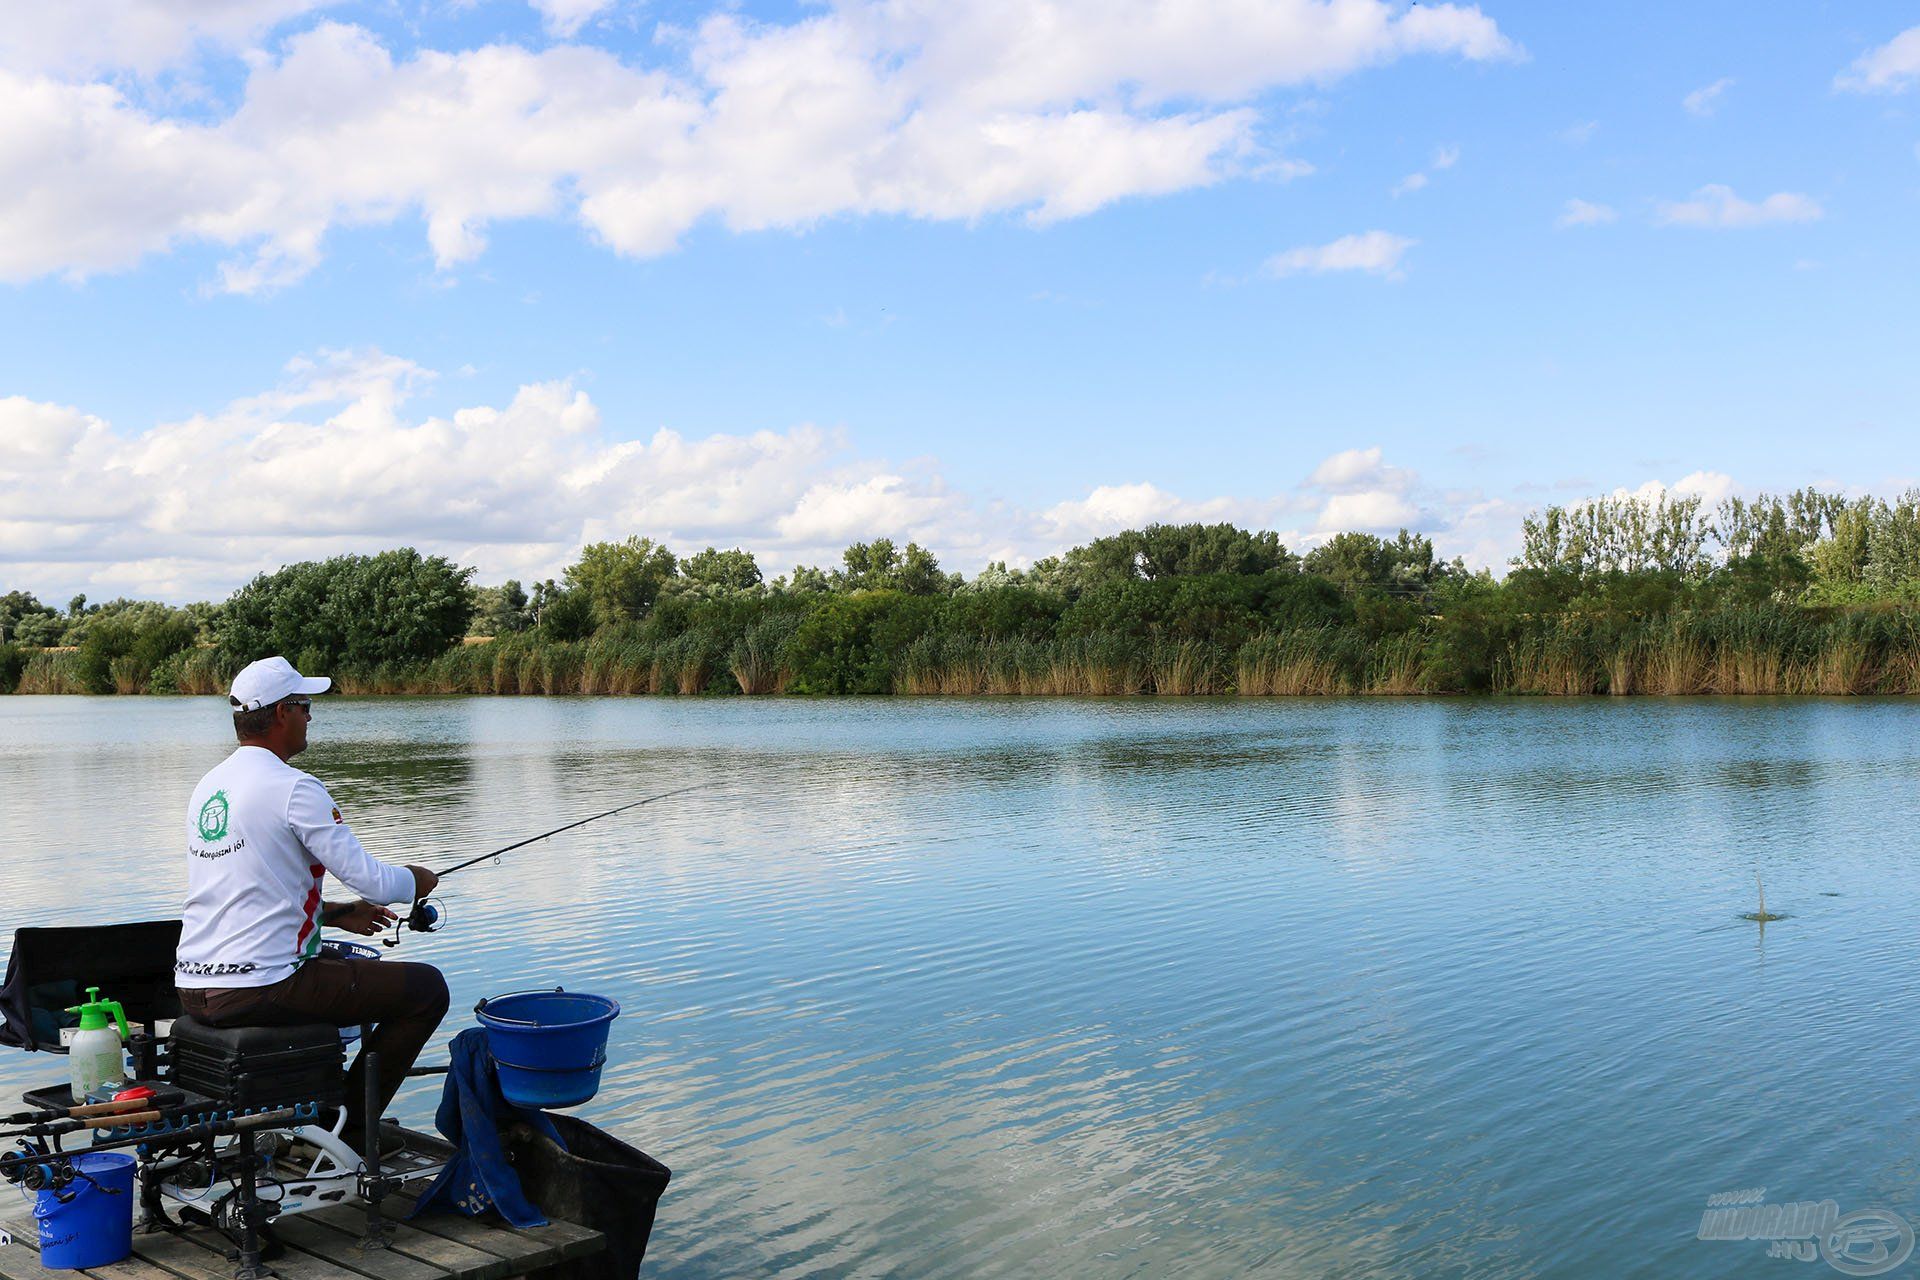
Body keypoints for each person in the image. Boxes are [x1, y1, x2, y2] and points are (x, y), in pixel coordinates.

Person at [176, 655, 448, 1149]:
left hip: (194, 987)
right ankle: (349, 1126)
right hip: (262, 986)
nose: (310, 717)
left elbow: (245, 895)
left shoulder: (209, 787)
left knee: (340, 972)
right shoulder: (294, 788)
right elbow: (375, 881)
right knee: (427, 989)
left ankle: (327, 1113)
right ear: (281, 713)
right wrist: (418, 879)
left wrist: (340, 914)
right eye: (304, 706)